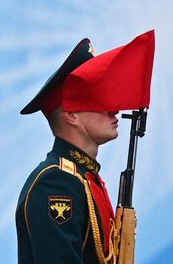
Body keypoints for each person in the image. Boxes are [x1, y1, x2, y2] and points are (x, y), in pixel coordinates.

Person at [16, 38, 117, 264]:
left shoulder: (83, 178)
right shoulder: (57, 182)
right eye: (99, 100)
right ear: (71, 115)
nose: (114, 109)